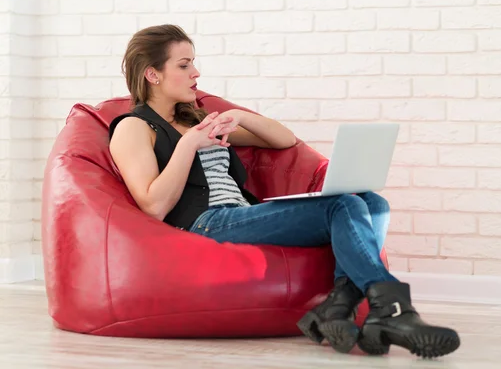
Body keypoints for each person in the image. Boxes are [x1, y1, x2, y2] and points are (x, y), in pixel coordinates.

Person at [108, 24, 460, 359]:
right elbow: (153, 206)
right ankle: (391, 309)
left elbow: (284, 139)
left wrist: (237, 117)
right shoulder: (134, 127)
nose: (196, 73)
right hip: (205, 223)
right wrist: (188, 145)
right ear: (152, 74)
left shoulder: (196, 118)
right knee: (342, 206)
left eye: (194, 63)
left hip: (240, 213)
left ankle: (337, 307)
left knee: (373, 202)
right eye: (184, 65)